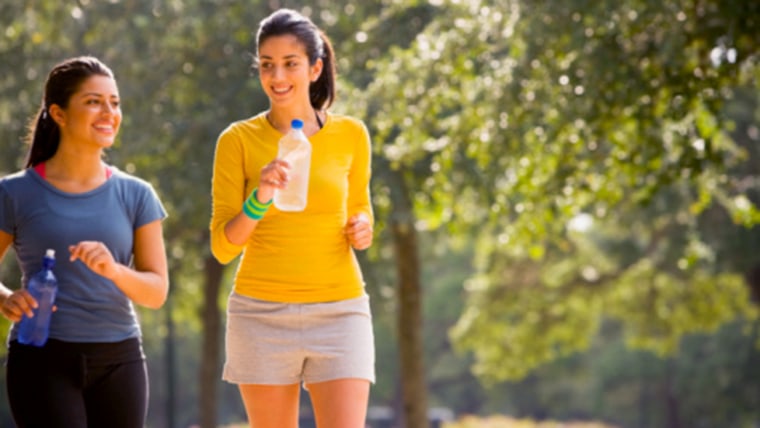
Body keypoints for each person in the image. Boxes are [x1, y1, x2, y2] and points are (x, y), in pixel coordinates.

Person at [209, 8, 375, 428]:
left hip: (340, 310)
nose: (277, 76)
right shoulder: (238, 140)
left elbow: (361, 212)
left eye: (290, 63)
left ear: (315, 68)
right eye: (267, 65)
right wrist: (259, 197)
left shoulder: (351, 135)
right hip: (261, 313)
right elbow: (223, 246)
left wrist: (363, 228)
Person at [0, 56, 169, 428]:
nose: (109, 112)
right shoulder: (14, 193)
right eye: (94, 101)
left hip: (120, 361)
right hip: (41, 360)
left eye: (114, 102)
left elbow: (156, 292)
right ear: (58, 114)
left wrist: (114, 270)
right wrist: (5, 298)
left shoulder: (137, 194)